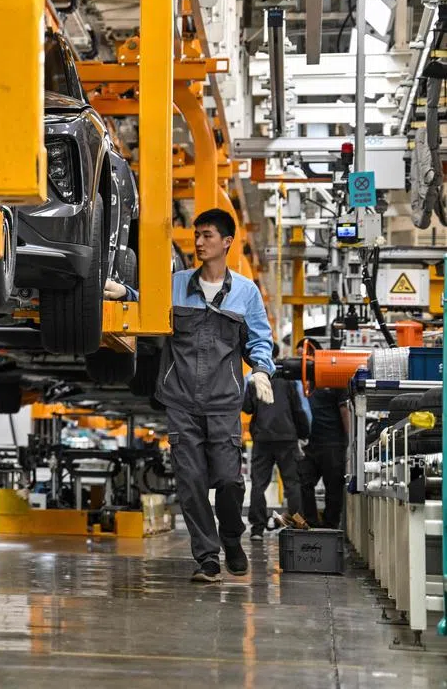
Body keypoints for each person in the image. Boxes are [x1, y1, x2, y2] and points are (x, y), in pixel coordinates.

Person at [107, 208, 275, 583]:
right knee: (191, 482)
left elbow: (260, 340)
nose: (199, 242)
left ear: (227, 242)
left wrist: (262, 369)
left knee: (229, 482)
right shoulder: (177, 283)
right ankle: (207, 558)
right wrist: (127, 295)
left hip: (223, 403)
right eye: (197, 235)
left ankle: (231, 538)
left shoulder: (246, 293)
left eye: (208, 236)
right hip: (181, 401)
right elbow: (149, 305)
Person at [242, 345, 311, 539]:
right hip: (286, 437)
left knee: (258, 484)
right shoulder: (287, 379)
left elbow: (247, 408)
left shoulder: (254, 379)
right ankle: (297, 524)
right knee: (292, 483)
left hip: (262, 437)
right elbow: (297, 409)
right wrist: (303, 432)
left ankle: (257, 529)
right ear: (277, 355)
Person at [299, 386, 351, 528]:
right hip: (311, 442)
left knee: (333, 486)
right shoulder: (305, 382)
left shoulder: (336, 382)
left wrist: (350, 438)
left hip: (332, 442)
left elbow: (344, 409)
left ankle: (330, 526)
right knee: (304, 482)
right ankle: (312, 522)